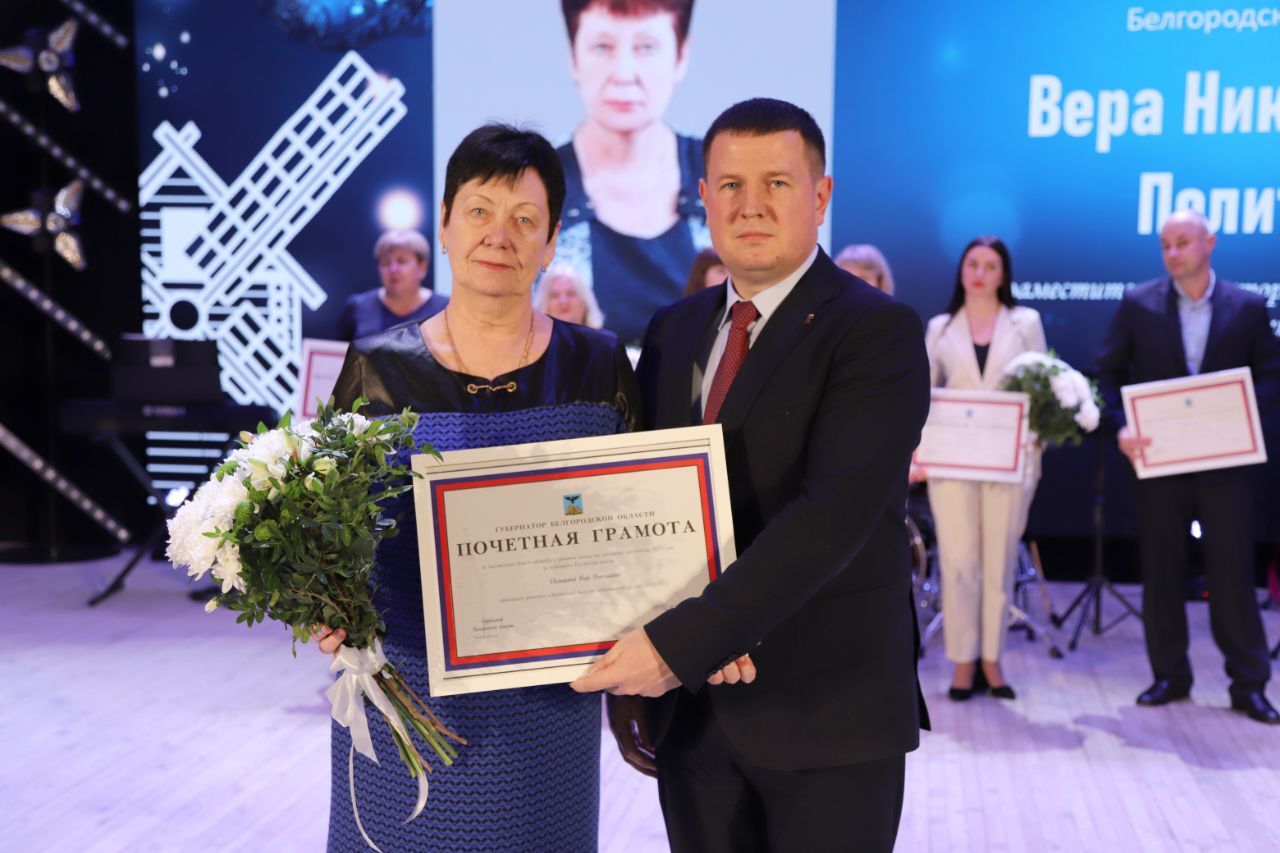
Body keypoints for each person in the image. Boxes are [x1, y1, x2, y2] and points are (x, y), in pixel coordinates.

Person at [573, 98, 931, 852]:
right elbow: (641, 502)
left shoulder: (877, 331)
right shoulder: (673, 329)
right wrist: (633, 663)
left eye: (777, 182)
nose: (751, 205)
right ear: (703, 198)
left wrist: (676, 645)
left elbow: (829, 519)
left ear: (821, 196)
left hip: (827, 712)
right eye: (731, 185)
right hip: (692, 714)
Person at [316, 123, 641, 850]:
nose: (500, 234)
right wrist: (326, 607)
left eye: (525, 219)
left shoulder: (598, 366)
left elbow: (636, 527)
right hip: (403, 690)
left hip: (551, 704)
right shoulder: (375, 367)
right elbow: (334, 526)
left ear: (551, 241)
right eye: (479, 211)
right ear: (445, 223)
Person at [1096, 208, 1280, 725]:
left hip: (1226, 465)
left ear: (1209, 243)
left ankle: (1249, 684)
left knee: (1232, 574)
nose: (1173, 252)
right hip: (1160, 464)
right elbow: (1106, 374)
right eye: (1166, 244)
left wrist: (1239, 414)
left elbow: (1272, 375)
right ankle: (1170, 676)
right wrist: (1121, 426)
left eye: (1183, 242)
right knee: (1162, 571)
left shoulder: (1248, 306)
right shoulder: (1138, 303)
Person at [920, 236, 1046, 701]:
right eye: (972, 264)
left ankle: (992, 660)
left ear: (1003, 274)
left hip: (1007, 463)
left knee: (999, 562)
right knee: (958, 562)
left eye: (990, 266)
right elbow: (923, 395)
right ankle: (962, 661)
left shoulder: (1025, 323)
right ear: (961, 270)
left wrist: (1035, 438)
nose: (979, 273)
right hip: (953, 463)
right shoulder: (940, 328)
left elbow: (1042, 388)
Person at [555, 0, 712, 348]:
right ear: (573, 57)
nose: (624, 73)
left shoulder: (723, 174)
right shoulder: (537, 183)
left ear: (681, 57)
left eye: (647, 47)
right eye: (602, 47)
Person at [336, 229, 448, 341]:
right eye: (385, 262)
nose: (393, 269)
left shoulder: (445, 309)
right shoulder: (357, 307)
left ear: (422, 267)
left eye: (402, 261)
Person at [532, 263, 605, 327]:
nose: (563, 301)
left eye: (571, 294)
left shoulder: (604, 338)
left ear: (585, 301)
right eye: (555, 295)